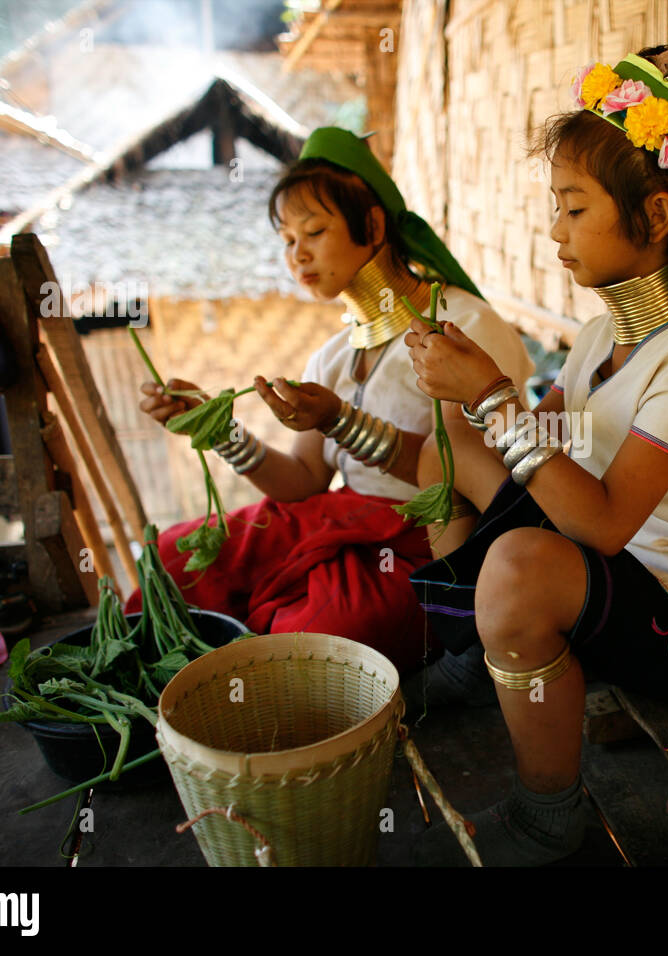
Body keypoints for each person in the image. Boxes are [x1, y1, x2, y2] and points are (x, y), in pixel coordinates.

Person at [403, 46, 668, 864]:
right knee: (444, 450)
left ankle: (547, 813)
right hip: (613, 561)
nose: (554, 232)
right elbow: (552, 441)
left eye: (574, 208)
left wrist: (494, 394)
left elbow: (599, 521)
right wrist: (472, 402)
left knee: (518, 568)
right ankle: (475, 653)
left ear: (656, 218)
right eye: (555, 208)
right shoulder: (603, 335)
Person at [133, 127, 534, 674]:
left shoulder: (464, 327)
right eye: (287, 240)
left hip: (423, 541)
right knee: (169, 560)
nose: (297, 254)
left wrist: (341, 421)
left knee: (315, 639)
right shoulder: (332, 355)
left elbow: (469, 474)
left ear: (372, 225)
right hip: (335, 519)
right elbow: (303, 482)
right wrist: (217, 427)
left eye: (315, 231)